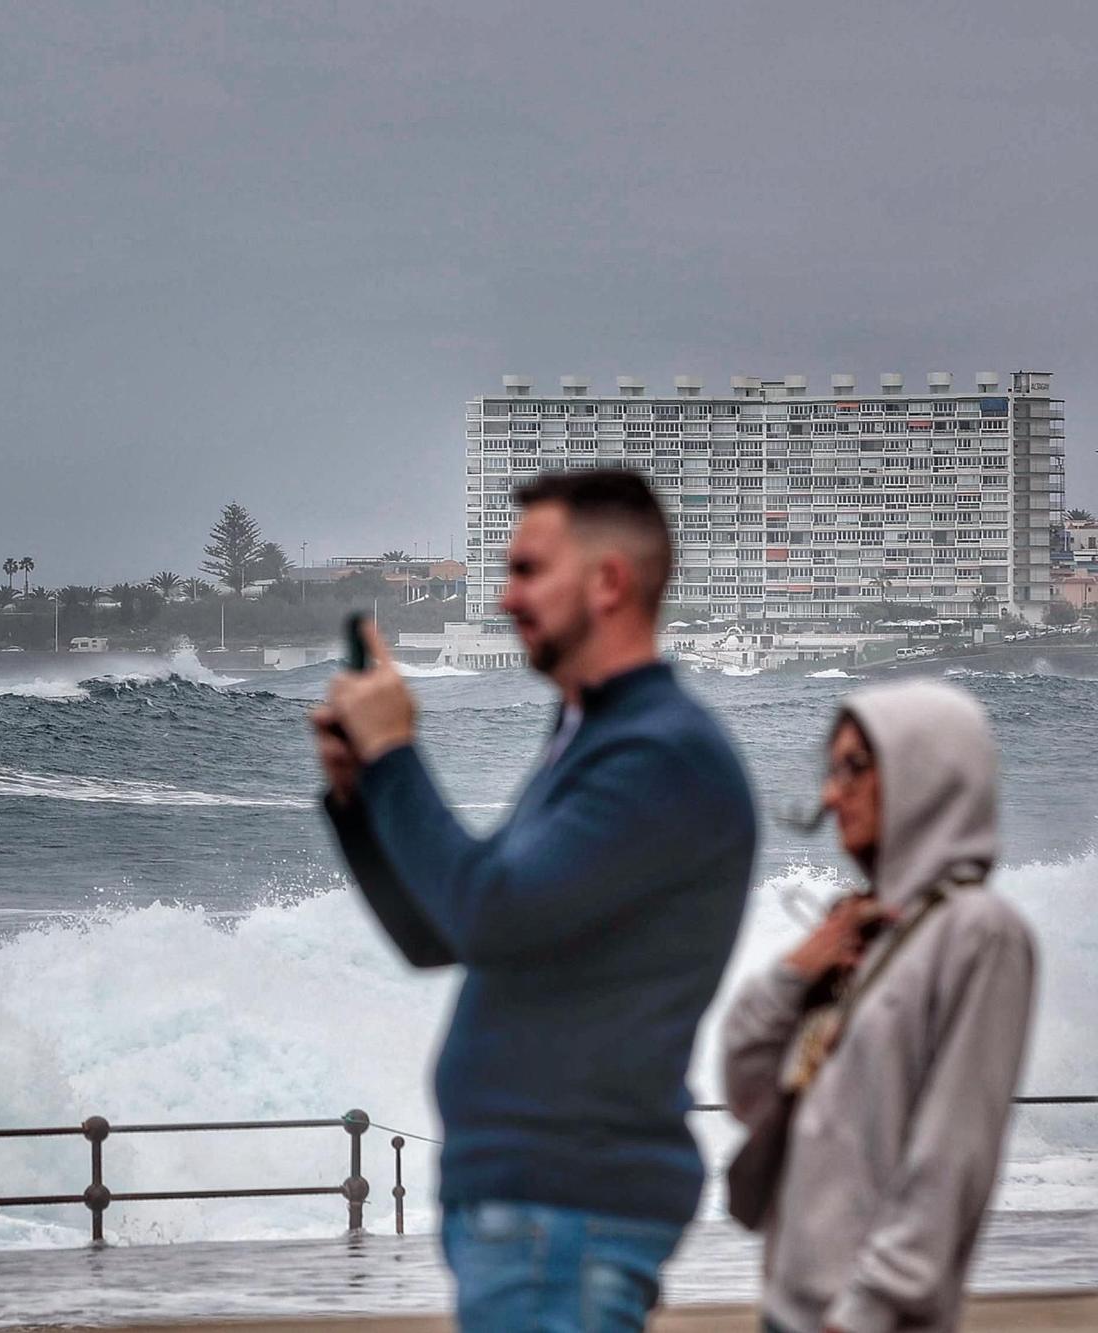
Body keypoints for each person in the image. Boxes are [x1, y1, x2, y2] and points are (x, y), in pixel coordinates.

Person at [314, 469, 756, 1332]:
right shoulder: (591, 738)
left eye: (526, 570)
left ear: (609, 582)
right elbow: (443, 933)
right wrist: (361, 798)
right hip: (536, 1205)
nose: (506, 595)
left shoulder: (657, 754)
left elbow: (491, 911)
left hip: (567, 1205)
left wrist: (399, 756)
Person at [720, 681, 1035, 1333]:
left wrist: (869, 1307)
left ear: (926, 774)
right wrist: (794, 970)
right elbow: (745, 1083)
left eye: (855, 768)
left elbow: (953, 1150)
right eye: (831, 771)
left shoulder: (978, 933)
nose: (832, 795)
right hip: (789, 1310)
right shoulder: (862, 927)